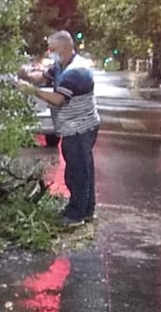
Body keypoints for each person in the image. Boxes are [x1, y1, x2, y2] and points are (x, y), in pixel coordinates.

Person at [15, 30, 100, 227]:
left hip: (79, 128)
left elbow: (58, 99)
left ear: (64, 48)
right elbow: (42, 77)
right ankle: (86, 210)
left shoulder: (76, 71)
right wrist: (25, 75)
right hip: (74, 126)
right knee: (84, 169)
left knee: (77, 171)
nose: (50, 52)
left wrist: (31, 91)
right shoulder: (62, 65)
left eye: (52, 49)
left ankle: (75, 214)